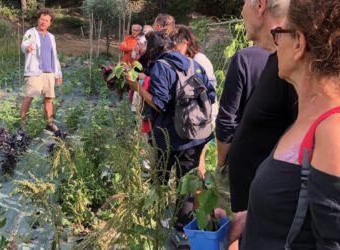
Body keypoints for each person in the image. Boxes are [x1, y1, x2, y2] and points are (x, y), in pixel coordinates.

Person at [223, 0, 340, 248]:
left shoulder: (333, 130)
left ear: (298, 43)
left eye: (279, 33)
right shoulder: (305, 120)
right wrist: (252, 219)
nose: (275, 44)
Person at [126, 30, 216, 249]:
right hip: (197, 133)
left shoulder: (161, 67)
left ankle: (156, 215)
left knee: (161, 175)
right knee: (187, 183)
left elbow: (159, 103)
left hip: (171, 135)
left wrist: (135, 85)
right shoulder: (193, 63)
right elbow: (211, 94)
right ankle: (182, 230)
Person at [226, 0, 298, 213]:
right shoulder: (276, 61)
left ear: (260, 5)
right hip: (254, 214)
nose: (240, 10)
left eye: (244, 3)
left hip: (272, 220)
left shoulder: (293, 68)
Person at [20, 8, 62, 133]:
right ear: (38, 20)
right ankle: (22, 124)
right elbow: (24, 44)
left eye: (46, 20)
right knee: (29, 97)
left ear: (50, 23)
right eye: (42, 19)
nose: (43, 22)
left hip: (49, 72)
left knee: (49, 99)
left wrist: (58, 73)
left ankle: (49, 123)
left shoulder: (51, 37)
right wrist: (27, 47)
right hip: (34, 72)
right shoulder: (30, 32)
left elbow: (54, 55)